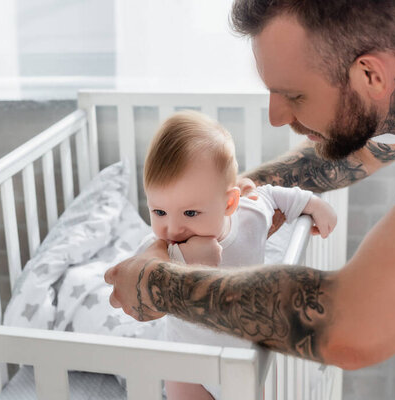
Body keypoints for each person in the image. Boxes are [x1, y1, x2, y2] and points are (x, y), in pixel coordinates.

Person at [105, 0, 395, 371]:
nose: (275, 117)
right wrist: (235, 195)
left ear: (370, 76)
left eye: (294, 95)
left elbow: (352, 327)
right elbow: (367, 149)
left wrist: (158, 285)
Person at [139, 110, 336, 400]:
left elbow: (272, 195)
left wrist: (310, 203)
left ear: (230, 203)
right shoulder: (161, 249)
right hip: (187, 365)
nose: (173, 227)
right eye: (159, 211)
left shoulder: (251, 216)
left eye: (190, 212)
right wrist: (178, 262)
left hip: (244, 359)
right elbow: (138, 276)